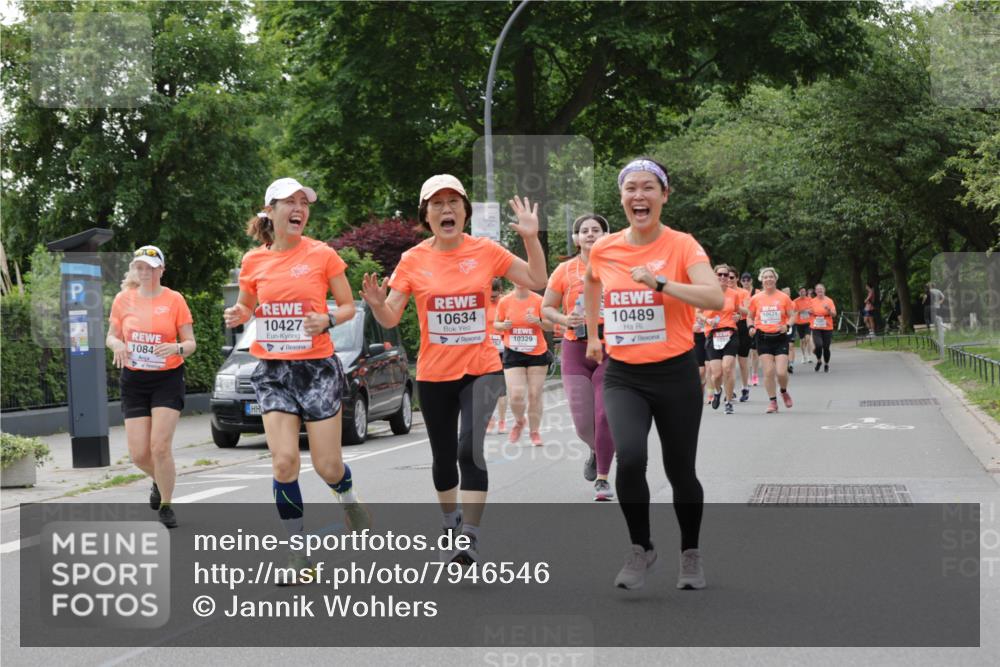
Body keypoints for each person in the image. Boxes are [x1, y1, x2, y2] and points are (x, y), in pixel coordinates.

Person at [360, 175, 546, 565]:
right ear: (425, 215)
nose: (446, 209)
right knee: (443, 458)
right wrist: (378, 303)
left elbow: (537, 279)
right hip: (433, 374)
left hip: (481, 367)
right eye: (437, 204)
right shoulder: (412, 259)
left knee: (468, 452)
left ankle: (471, 538)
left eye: (453, 202)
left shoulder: (485, 251)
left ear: (465, 211)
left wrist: (531, 237)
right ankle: (450, 522)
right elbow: (392, 316)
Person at [584, 157, 723, 591]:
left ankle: (691, 554)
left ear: (664, 195)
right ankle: (640, 547)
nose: (639, 196)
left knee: (680, 470)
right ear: (622, 198)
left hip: (675, 373)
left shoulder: (683, 246)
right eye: (631, 189)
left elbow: (714, 297)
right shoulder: (605, 248)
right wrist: (593, 335)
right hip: (624, 374)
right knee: (631, 456)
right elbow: (591, 282)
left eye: (648, 188)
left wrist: (661, 284)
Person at [223, 178, 365, 578]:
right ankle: (298, 555)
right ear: (270, 211)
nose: (299, 207)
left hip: (316, 369)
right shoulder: (253, 261)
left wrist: (329, 318)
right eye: (291, 201)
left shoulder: (322, 255)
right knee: (284, 462)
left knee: (327, 466)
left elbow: (349, 306)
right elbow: (246, 304)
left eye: (304, 202)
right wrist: (239, 314)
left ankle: (349, 499)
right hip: (272, 370)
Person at [107, 246, 196, 528]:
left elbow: (191, 343)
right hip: (134, 381)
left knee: (159, 447)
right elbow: (110, 336)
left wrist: (177, 347)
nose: (144, 272)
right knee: (139, 454)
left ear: (161, 270)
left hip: (167, 379)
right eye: (140, 267)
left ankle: (167, 505)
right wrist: (118, 343)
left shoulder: (174, 300)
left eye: (150, 267)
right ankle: (160, 480)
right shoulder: (123, 299)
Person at [542, 213, 615, 501]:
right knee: (583, 422)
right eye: (583, 230)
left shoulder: (618, 268)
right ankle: (596, 448)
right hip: (575, 347)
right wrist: (563, 317)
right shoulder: (564, 270)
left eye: (596, 229)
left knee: (604, 414)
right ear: (575, 238)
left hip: (611, 348)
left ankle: (603, 478)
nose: (589, 234)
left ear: (606, 235)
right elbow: (546, 309)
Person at [496, 283, 552, 446]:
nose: (520, 280)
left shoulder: (539, 300)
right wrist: (504, 326)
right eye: (516, 277)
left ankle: (534, 432)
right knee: (516, 395)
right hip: (513, 352)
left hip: (537, 352)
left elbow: (549, 325)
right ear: (512, 281)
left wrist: (538, 321)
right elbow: (496, 324)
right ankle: (520, 421)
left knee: (534, 394)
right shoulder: (505, 301)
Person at [748, 269, 796, 414]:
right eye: (765, 277)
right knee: (768, 371)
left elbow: (793, 316)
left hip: (780, 338)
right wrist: (750, 327)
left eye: (771, 277)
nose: (768, 279)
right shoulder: (756, 298)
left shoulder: (783, 297)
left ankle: (783, 391)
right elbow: (750, 316)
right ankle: (772, 401)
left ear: (775, 279)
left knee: (781, 372)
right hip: (763, 337)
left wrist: (787, 326)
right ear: (761, 280)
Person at [703, 265, 742, 415]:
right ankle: (718, 391)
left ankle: (728, 401)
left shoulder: (734, 294)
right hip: (713, 335)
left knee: (727, 368)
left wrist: (737, 317)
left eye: (726, 275)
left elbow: (737, 312)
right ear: (714, 275)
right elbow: (698, 314)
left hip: (730, 333)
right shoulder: (707, 293)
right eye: (720, 274)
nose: (723, 277)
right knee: (716, 373)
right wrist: (707, 320)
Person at [486, 279, 510, 434]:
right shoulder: (483, 303)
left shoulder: (506, 303)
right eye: (490, 296)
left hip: (503, 349)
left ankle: (502, 421)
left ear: (500, 291)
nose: (492, 299)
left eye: (494, 296)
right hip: (487, 350)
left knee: (501, 388)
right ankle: (489, 420)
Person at [808, 283, 837, 372]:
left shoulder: (829, 301)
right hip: (816, 326)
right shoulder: (812, 301)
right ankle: (819, 360)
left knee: (826, 347)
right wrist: (809, 312)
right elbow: (808, 312)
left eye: (821, 289)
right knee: (818, 345)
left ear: (824, 290)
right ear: (816, 291)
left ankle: (826, 364)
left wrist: (828, 310)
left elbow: (834, 314)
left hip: (827, 326)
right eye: (818, 289)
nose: (820, 291)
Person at [737, 271, 757, 391]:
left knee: (754, 352)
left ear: (751, 281)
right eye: (743, 280)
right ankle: (749, 375)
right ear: (741, 281)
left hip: (754, 323)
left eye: (748, 280)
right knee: (746, 353)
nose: (746, 282)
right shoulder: (738, 293)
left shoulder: (756, 292)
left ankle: (754, 375)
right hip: (743, 322)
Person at [793, 287, 813, 364]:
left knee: (808, 338)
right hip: (799, 323)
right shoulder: (795, 301)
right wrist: (801, 311)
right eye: (801, 292)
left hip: (808, 322)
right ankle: (803, 355)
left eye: (804, 291)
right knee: (802, 340)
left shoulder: (809, 299)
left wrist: (810, 311)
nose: (803, 293)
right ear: (799, 293)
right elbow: (794, 311)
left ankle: (809, 356)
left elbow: (813, 309)